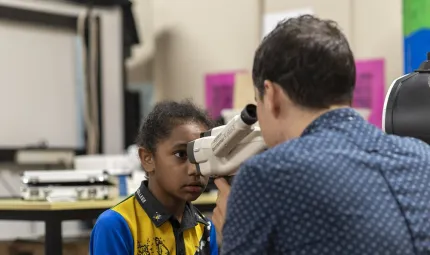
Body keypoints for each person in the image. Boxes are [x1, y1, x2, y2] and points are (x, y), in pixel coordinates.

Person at [212, 14, 430, 254]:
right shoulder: (422, 157)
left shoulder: (267, 177)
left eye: (257, 101)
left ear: (271, 95)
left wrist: (230, 233)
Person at [90, 100, 219, 255]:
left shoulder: (205, 229)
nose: (195, 169)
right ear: (148, 159)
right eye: (181, 154)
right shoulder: (117, 226)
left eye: (202, 156)